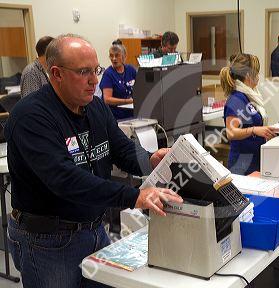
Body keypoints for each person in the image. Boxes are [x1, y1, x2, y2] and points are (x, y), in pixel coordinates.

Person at [5, 34, 183, 288]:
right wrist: (134, 196)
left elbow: (121, 150)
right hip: (47, 241)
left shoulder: (95, 107)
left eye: (96, 70)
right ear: (56, 74)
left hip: (93, 230)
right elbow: (65, 179)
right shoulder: (31, 117)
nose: (94, 80)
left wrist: (150, 160)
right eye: (83, 72)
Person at [220, 53, 278, 175]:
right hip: (242, 164)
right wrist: (254, 130)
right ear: (248, 75)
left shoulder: (250, 96)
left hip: (254, 159)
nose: (258, 76)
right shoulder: (236, 99)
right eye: (256, 72)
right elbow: (231, 133)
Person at [99, 39, 136, 119]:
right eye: (111, 56)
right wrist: (128, 101)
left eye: (117, 55)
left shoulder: (131, 70)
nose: (114, 59)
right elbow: (107, 99)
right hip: (115, 116)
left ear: (124, 56)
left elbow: (140, 88)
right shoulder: (108, 74)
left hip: (132, 114)